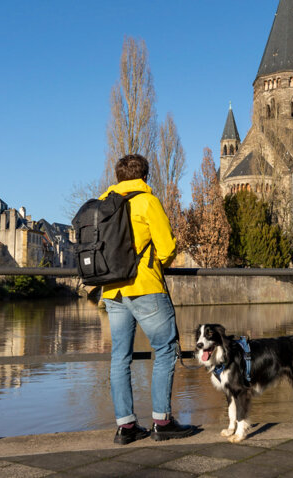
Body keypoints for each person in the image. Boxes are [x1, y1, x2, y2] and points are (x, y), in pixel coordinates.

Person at [99, 153, 195, 445]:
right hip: (144, 287)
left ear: (118, 177)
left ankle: (126, 427)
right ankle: (162, 422)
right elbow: (167, 248)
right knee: (165, 350)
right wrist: (154, 264)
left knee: (120, 357)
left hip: (112, 289)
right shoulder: (147, 201)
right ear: (144, 176)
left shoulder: (102, 204)